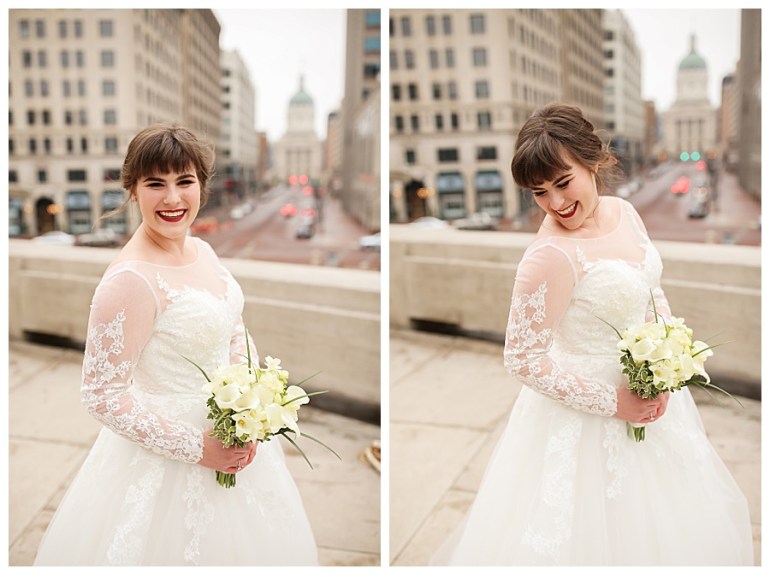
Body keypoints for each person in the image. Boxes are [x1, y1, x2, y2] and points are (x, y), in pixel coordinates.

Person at [431, 104, 753, 566]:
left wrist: (667, 360)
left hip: (654, 398)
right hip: (586, 419)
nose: (556, 203)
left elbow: (650, 289)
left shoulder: (625, 212)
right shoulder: (548, 256)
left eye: (563, 183)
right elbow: (522, 359)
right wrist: (614, 403)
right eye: (539, 192)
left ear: (593, 161)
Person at [33, 124, 318, 566]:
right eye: (155, 184)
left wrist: (250, 407)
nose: (172, 198)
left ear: (202, 185)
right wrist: (201, 449)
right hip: (169, 460)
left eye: (184, 181)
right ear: (133, 190)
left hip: (234, 438)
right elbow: (102, 395)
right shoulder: (129, 280)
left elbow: (232, 326)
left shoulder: (204, 251)